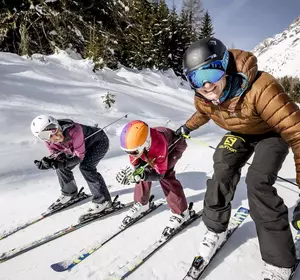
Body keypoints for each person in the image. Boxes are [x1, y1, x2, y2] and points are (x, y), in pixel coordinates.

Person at [175, 37, 300, 280]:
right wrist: (186, 128)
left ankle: (280, 261)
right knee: (222, 166)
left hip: (271, 134)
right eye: (196, 79)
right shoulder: (204, 97)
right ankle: (215, 229)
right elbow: (202, 113)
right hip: (241, 133)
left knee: (258, 182)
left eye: (211, 74)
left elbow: (297, 132)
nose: (206, 86)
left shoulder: (262, 88)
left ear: (225, 67)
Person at [116, 120, 189, 233]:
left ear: (143, 144)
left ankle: (181, 212)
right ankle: (142, 203)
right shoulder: (135, 147)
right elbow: (137, 165)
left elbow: (160, 174)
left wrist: (144, 175)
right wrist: (135, 173)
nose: (130, 155)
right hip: (148, 149)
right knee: (142, 171)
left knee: (166, 176)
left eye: (133, 152)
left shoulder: (158, 145)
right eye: (127, 152)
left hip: (173, 147)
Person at [31, 115, 112, 213]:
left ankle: (103, 201)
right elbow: (57, 156)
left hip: (97, 143)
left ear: (57, 124)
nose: (55, 137)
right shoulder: (49, 142)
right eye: (45, 136)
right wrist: (49, 162)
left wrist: (59, 163)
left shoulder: (74, 130)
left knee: (86, 167)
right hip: (77, 149)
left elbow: (79, 157)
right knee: (60, 167)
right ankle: (69, 193)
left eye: (54, 130)